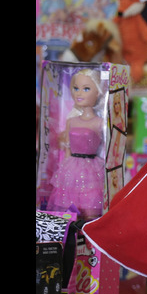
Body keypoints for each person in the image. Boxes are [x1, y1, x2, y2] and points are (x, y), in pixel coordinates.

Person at [47, 68, 107, 220]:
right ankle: (70, 239)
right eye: (76, 88)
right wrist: (64, 168)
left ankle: (88, 238)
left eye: (86, 89)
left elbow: (107, 148)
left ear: (98, 92)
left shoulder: (100, 123)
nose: (79, 93)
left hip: (92, 168)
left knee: (90, 207)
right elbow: (67, 147)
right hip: (71, 167)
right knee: (67, 208)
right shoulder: (71, 120)